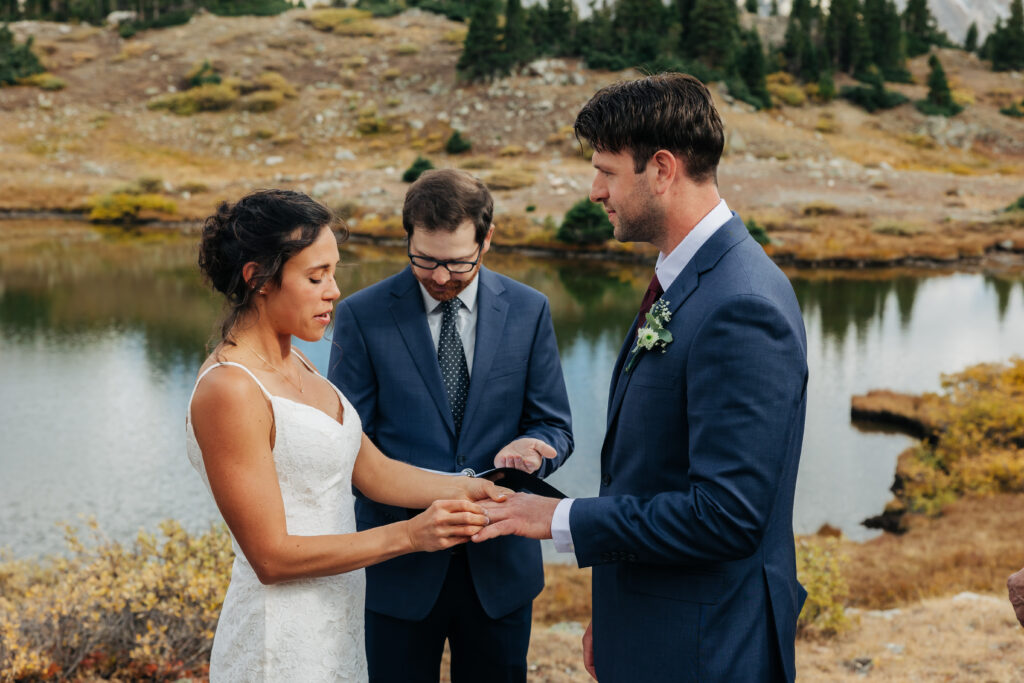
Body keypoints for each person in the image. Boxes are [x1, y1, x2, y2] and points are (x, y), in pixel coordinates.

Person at [474, 73, 809, 682]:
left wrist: (555, 518)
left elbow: (726, 517)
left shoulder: (742, 304)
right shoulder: (689, 277)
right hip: (657, 623)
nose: (594, 191)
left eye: (606, 171)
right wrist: (617, 607)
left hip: (706, 650)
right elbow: (652, 473)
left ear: (660, 169)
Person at [185, 189, 508, 682]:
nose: (333, 291)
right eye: (316, 277)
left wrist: (477, 489)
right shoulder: (230, 388)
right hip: (279, 641)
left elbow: (376, 473)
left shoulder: (296, 360)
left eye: (333, 273)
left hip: (336, 628)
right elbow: (270, 557)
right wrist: (410, 535)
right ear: (258, 278)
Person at [328, 169, 573, 683]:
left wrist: (536, 447)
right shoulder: (360, 316)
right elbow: (345, 446)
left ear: (487, 239)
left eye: (458, 262)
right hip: (398, 568)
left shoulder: (529, 309)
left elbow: (554, 423)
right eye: (425, 260)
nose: (441, 277)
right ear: (407, 238)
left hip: (500, 568)